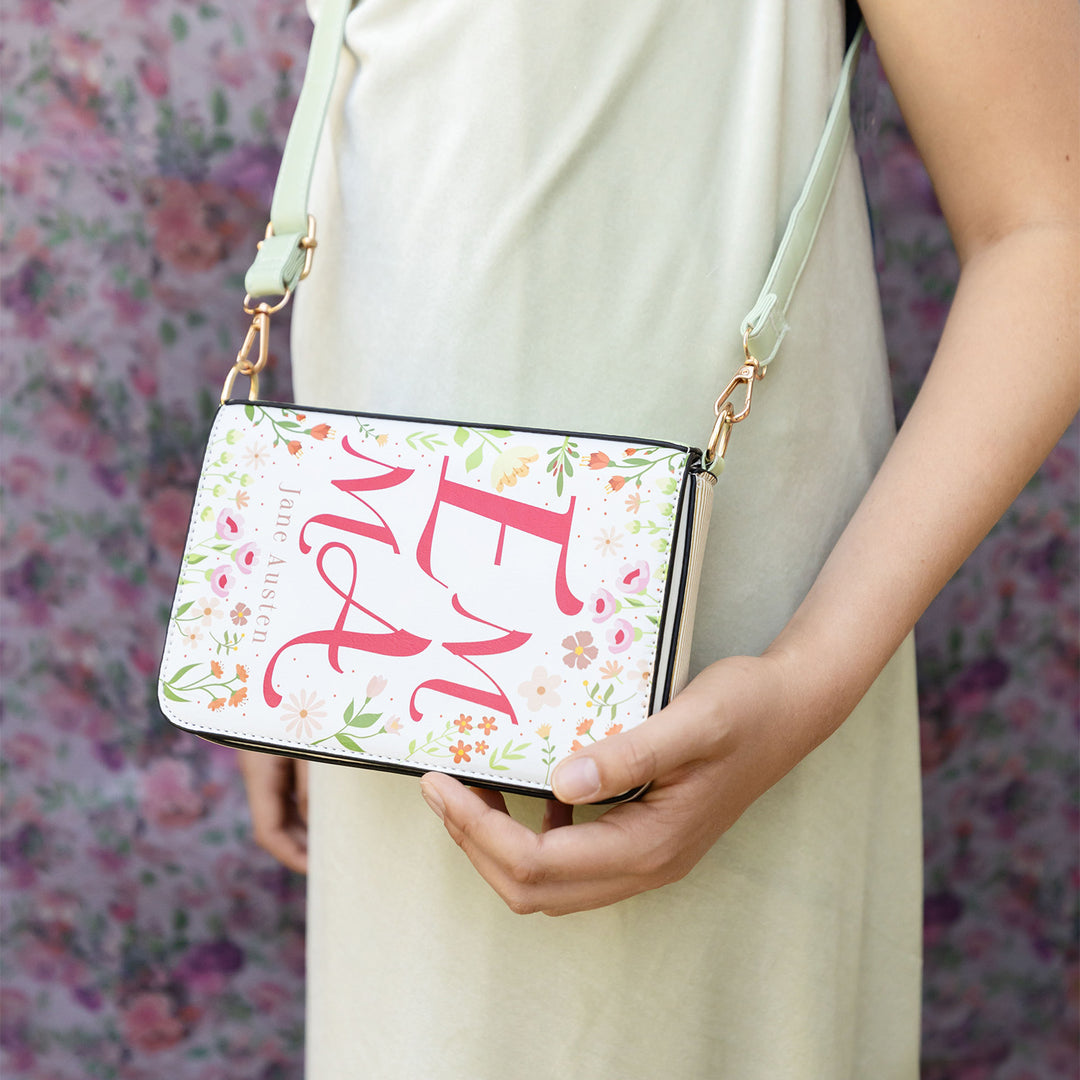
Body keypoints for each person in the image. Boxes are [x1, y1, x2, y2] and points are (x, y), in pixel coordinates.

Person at [238, 0, 1078, 1075]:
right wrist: (284, 606)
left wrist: (803, 685)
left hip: (717, 707)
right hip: (375, 648)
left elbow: (1048, 226)